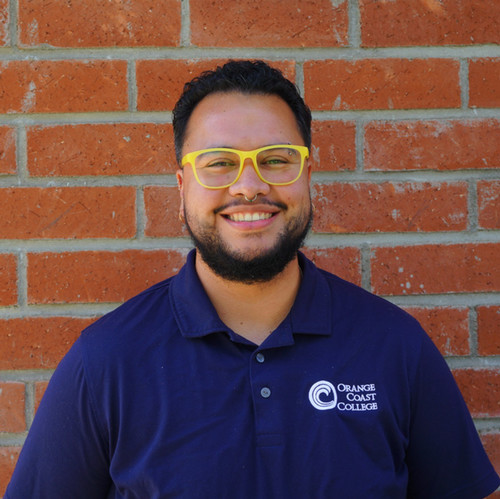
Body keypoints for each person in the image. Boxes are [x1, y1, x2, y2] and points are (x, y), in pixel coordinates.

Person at [5, 60, 499, 498]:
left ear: (307, 176)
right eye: (219, 163)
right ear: (182, 188)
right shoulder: (105, 362)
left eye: (276, 160)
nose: (249, 186)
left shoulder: (395, 346)